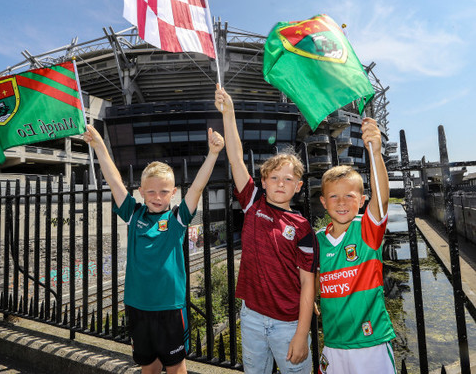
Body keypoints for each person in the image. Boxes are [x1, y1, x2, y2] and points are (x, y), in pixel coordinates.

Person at [83, 124, 224, 374]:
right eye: (150, 191)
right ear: (140, 192)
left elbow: (198, 188)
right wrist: (99, 146)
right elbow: (115, 182)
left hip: (170, 307)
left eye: (163, 191)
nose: (157, 196)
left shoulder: (177, 219)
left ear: (174, 193)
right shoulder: (134, 214)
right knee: (147, 366)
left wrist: (212, 154)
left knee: (176, 367)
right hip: (137, 305)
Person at [215, 86, 318, 374]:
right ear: (263, 180)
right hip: (251, 317)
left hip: (288, 323)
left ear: (298, 186)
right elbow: (235, 158)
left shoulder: (302, 227)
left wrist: (301, 334)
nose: (280, 183)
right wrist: (229, 113)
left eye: (288, 179)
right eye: (274, 177)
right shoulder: (252, 203)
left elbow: (308, 284)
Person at [316, 117, 396, 374]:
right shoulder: (317, 239)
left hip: (370, 343)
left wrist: (375, 153)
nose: (341, 202)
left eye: (349, 196)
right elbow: (313, 277)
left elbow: (382, 198)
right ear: (323, 203)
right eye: (333, 196)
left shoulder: (366, 230)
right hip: (333, 343)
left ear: (361, 200)